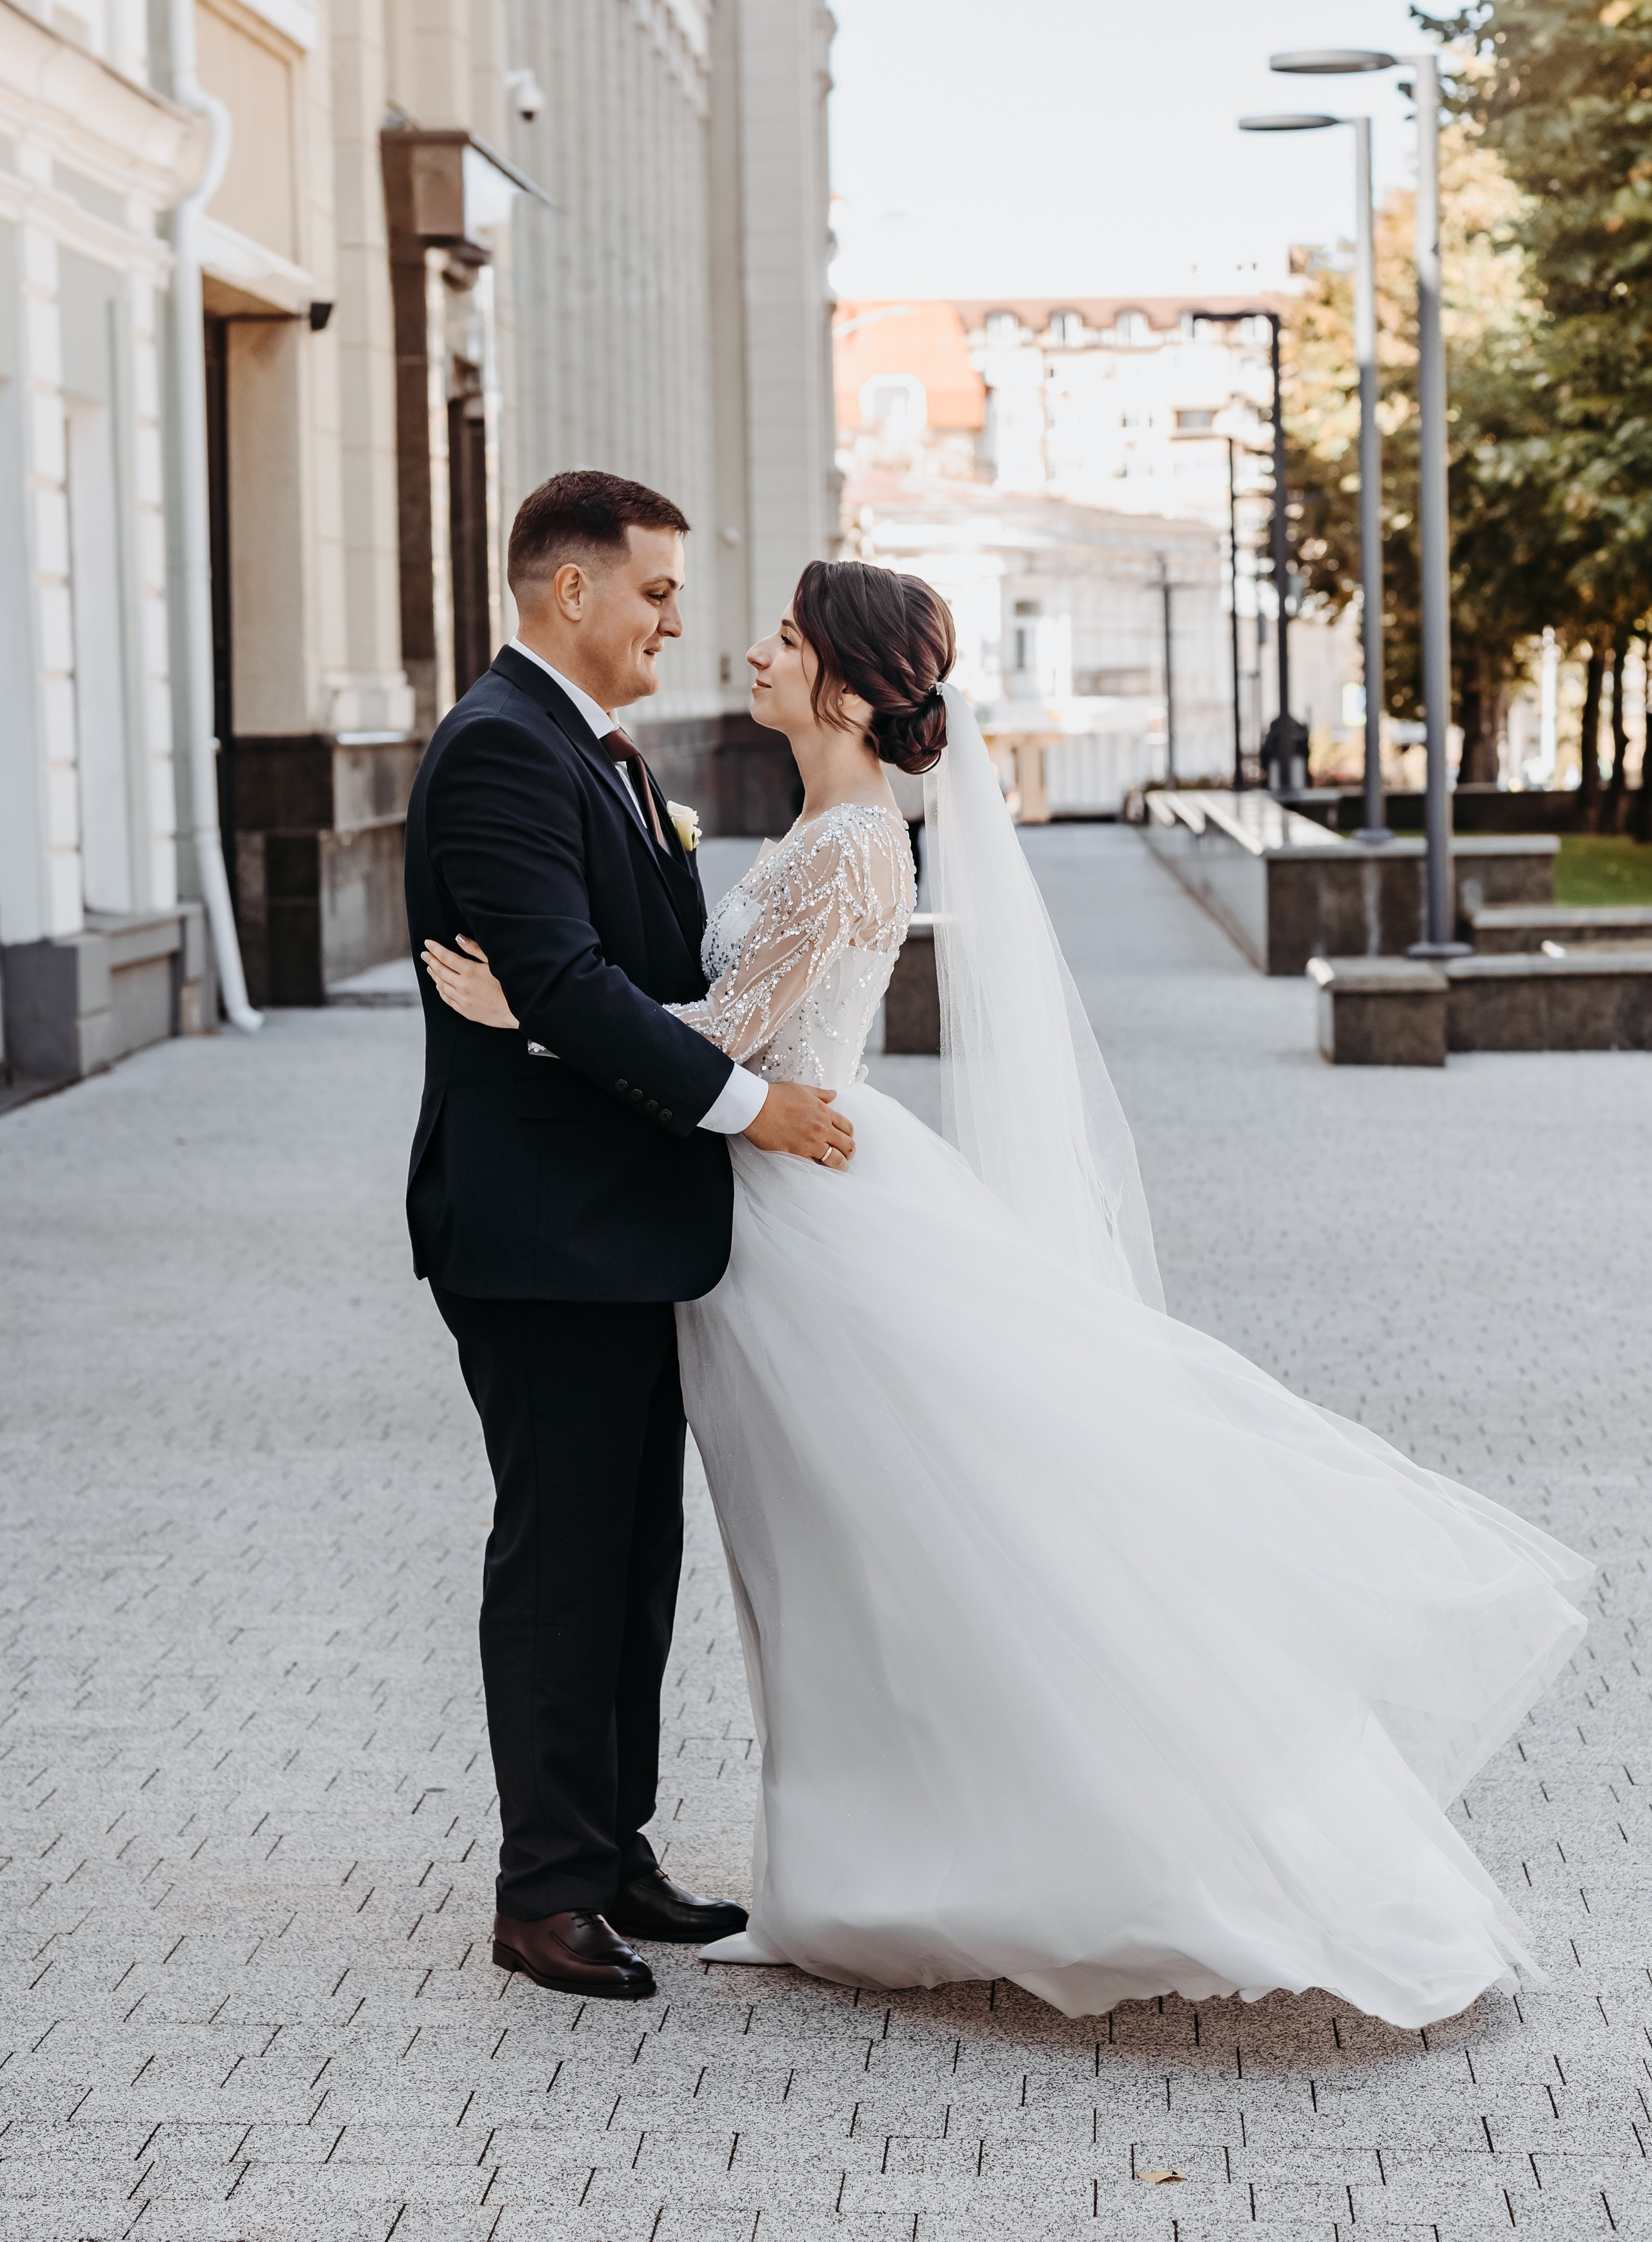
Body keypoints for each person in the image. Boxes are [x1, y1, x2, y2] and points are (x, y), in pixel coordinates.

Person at [422, 557, 1593, 2030]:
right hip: (767, 1208)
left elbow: (719, 1030)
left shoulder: (849, 845)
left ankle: (1013, 1856)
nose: (747, 652)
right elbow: (715, 1018)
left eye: (783, 640)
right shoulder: (819, 824)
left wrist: (527, 1014)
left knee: (913, 1552)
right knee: (827, 1565)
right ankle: (832, 1854)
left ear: (847, 686)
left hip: (804, 1224)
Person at [403, 471, 856, 2005]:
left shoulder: (597, 749)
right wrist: (752, 1105)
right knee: (560, 1558)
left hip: (624, 1224)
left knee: (632, 1553)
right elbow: (567, 981)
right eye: (654, 589)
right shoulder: (496, 753)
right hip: (538, 1231)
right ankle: (542, 1893)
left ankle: (612, 1851)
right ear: (569, 592)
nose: (678, 616)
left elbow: (641, 969)